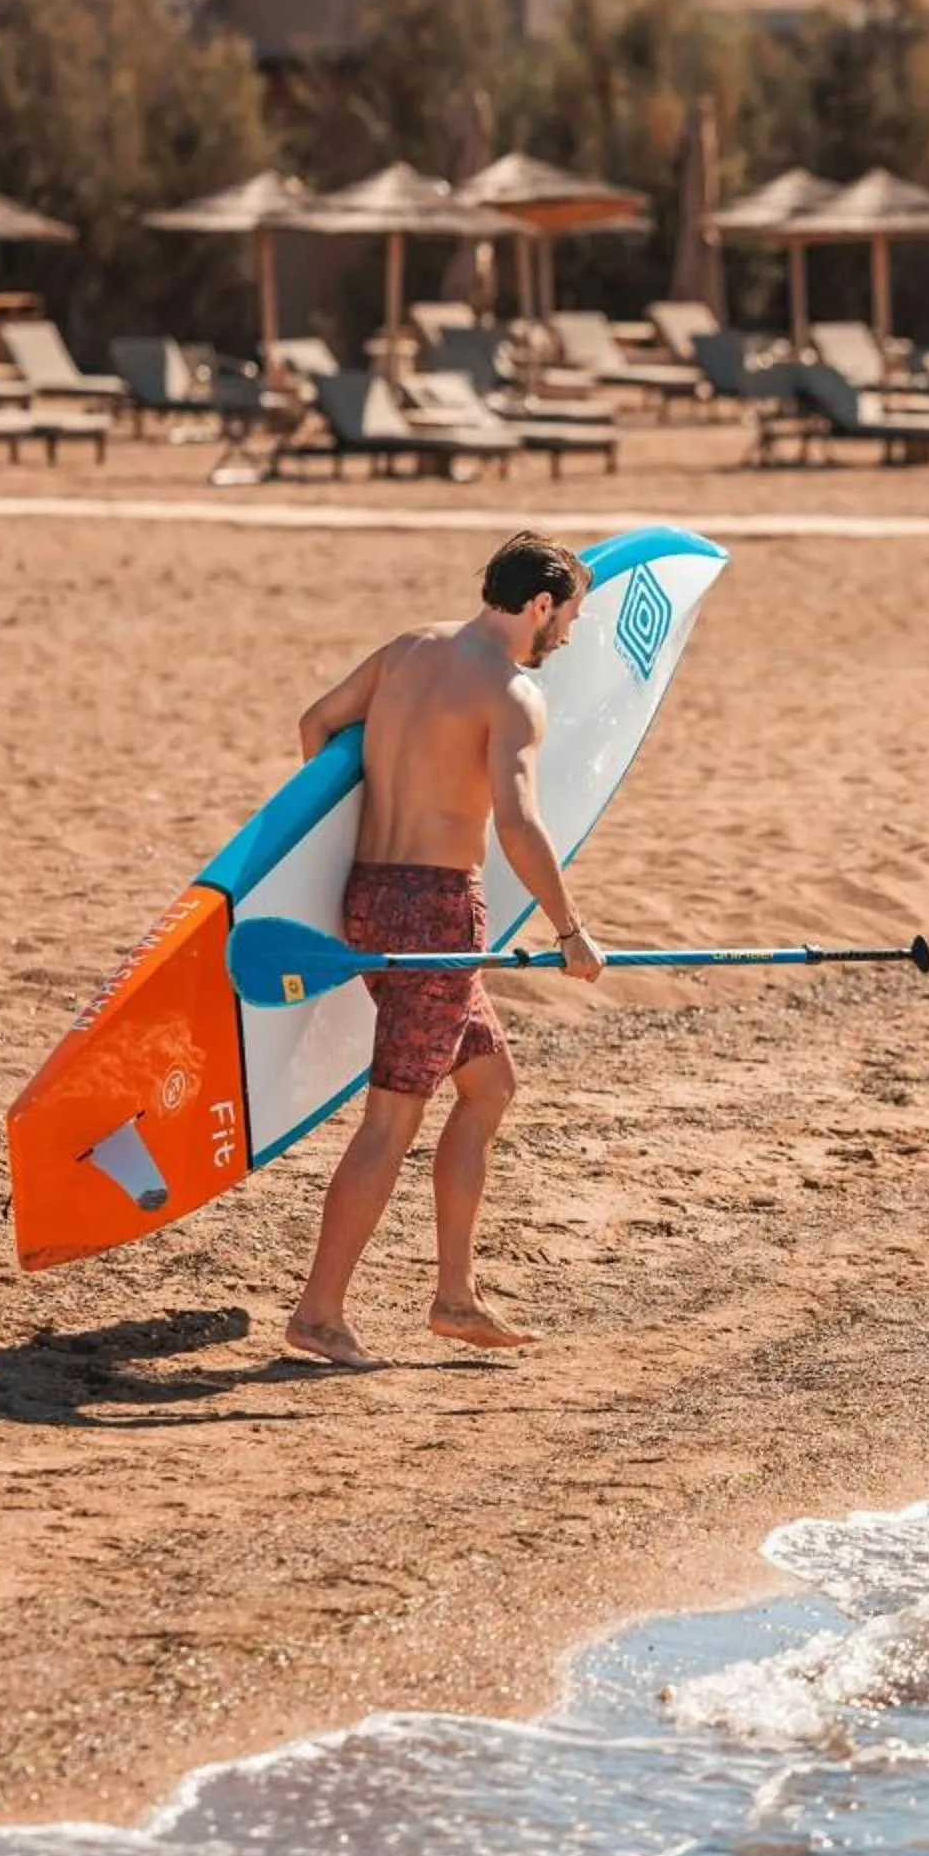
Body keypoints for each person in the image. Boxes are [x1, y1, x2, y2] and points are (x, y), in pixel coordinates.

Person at [282, 532, 608, 1369]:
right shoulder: (511, 691)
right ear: (541, 604)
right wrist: (569, 931)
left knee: (490, 1085)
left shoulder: (410, 649)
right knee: (392, 1116)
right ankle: (319, 1313)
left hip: (369, 895)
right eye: (569, 615)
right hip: (435, 914)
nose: (568, 633)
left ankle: (455, 1297)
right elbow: (519, 823)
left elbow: (318, 725)